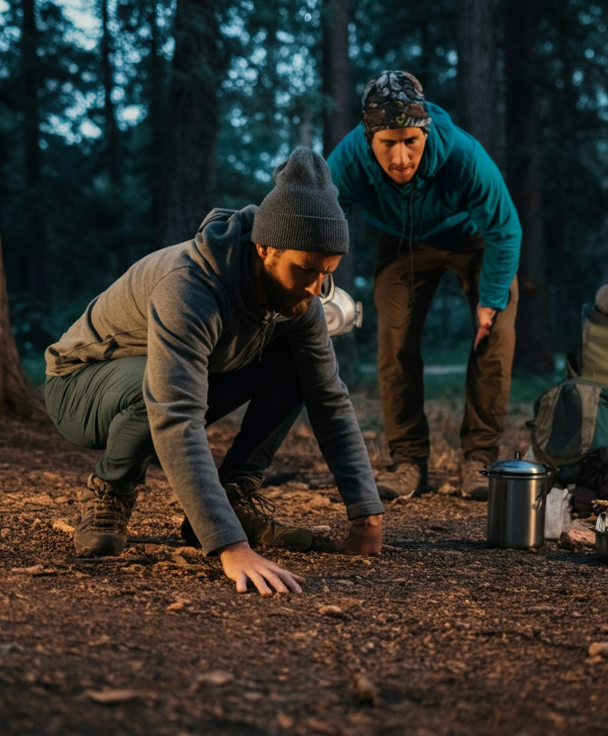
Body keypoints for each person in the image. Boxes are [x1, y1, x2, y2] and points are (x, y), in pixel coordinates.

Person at [43, 147, 385, 595]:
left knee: (300, 364)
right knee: (153, 384)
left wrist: (365, 512)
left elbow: (329, 398)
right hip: (79, 386)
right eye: (305, 270)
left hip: (165, 382)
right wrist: (229, 546)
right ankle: (112, 488)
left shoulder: (302, 297)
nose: (315, 288)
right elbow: (176, 412)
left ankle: (236, 494)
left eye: (328, 273)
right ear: (265, 248)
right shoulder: (190, 286)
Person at [325, 71, 521, 501]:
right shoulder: (348, 158)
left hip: (471, 239)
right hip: (401, 244)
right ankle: (408, 461)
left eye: (411, 141)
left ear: (425, 132)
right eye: (388, 143)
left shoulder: (465, 156)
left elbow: (505, 230)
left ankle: (479, 457)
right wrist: (321, 272)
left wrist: (490, 300)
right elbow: (325, 214)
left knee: (496, 332)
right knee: (394, 342)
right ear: (369, 138)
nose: (401, 158)